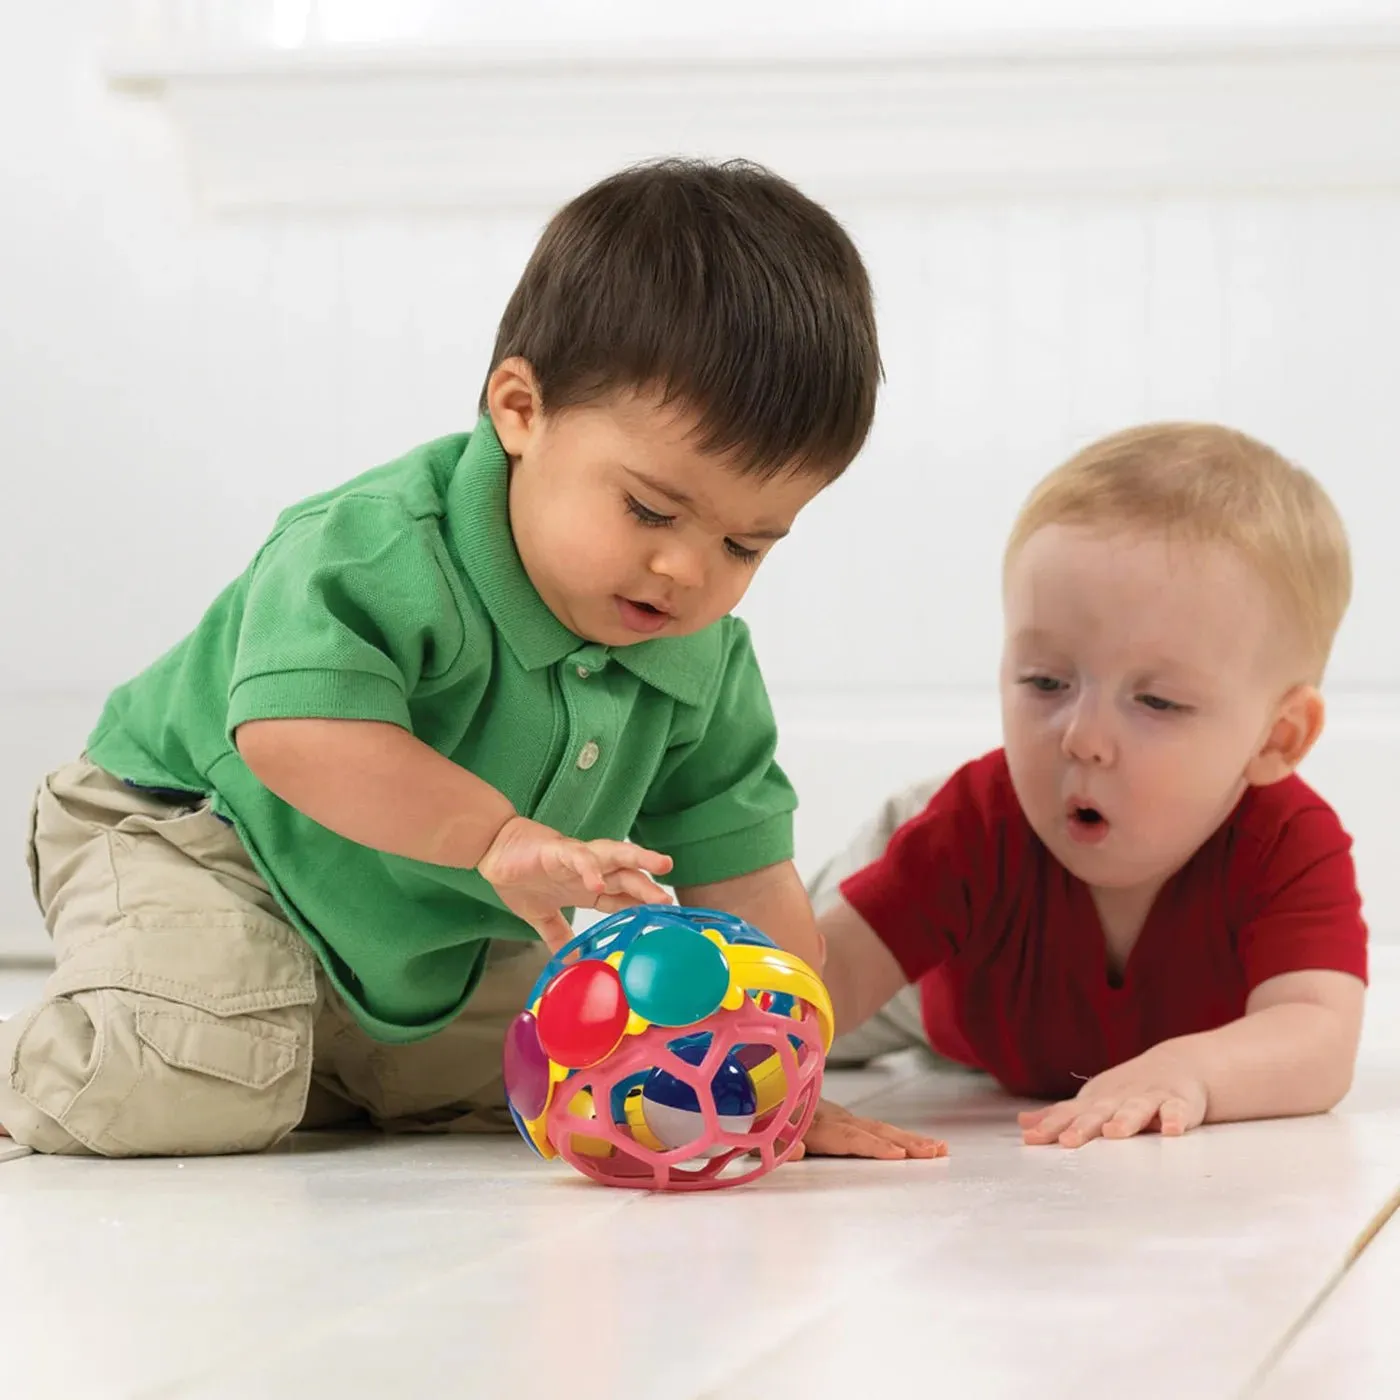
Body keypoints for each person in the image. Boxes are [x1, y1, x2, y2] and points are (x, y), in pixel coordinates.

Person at [1, 158, 897, 1158]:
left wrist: (779, 1072)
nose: (685, 569)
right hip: (204, 842)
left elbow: (749, 880)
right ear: (519, 409)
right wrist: (493, 837)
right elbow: (292, 735)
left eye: (745, 544)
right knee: (170, 1077)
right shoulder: (382, 546)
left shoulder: (698, 658)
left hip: (425, 934)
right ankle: (113, 1048)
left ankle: (303, 1054)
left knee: (576, 1073)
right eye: (649, 508)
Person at [810, 423, 1367, 1150]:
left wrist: (1192, 1070)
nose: (1082, 738)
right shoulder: (971, 825)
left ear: (1276, 738)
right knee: (787, 975)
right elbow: (830, 969)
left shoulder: (1286, 842)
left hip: (1036, 1015)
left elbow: (1318, 1036)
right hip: (934, 981)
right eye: (1045, 682)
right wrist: (744, 1063)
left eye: (1157, 702)